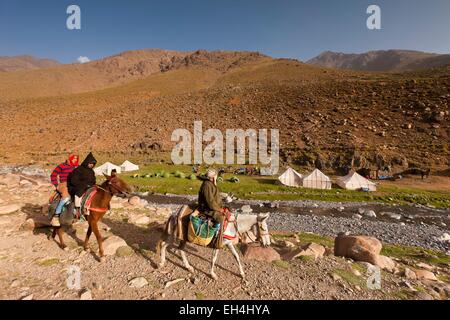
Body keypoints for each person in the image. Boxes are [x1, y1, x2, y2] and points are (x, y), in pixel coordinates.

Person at [197, 169, 232, 248]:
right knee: (221, 218)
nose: (217, 177)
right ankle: (215, 239)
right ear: (212, 177)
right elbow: (210, 201)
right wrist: (219, 209)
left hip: (213, 206)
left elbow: (215, 196)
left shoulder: (211, 184)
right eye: (215, 176)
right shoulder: (206, 185)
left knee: (228, 212)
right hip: (207, 208)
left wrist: (223, 203)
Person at [50, 154, 79, 227]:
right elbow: (53, 175)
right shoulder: (61, 166)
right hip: (63, 184)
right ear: (69, 159)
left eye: (76, 160)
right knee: (66, 197)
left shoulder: (76, 166)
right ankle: (56, 216)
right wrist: (56, 185)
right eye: (73, 159)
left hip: (73, 184)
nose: (75, 161)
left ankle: (78, 213)